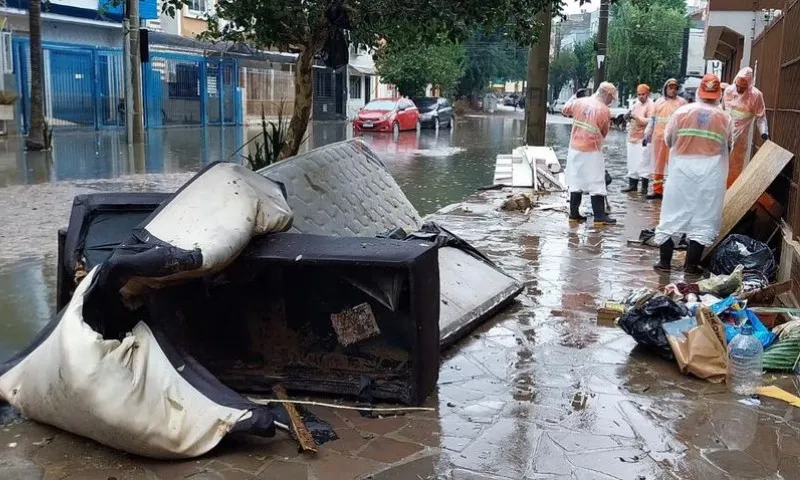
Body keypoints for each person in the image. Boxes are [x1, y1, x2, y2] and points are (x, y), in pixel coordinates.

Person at [653, 73, 732, 275]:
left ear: (699, 92)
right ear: (718, 95)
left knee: (672, 213)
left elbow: (668, 140)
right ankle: (691, 265)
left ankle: (664, 263)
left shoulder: (682, 112)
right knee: (703, 217)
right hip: (710, 174)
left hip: (681, 171)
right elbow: (729, 145)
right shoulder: (725, 117)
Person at [562, 81, 618, 225]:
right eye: (611, 97)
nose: (611, 101)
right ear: (605, 94)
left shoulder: (580, 102)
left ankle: (573, 214)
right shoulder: (604, 110)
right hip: (592, 150)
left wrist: (575, 97)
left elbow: (565, 110)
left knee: (575, 181)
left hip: (575, 148)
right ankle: (599, 216)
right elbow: (604, 132)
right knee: (597, 182)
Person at [723, 67, 769, 187]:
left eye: (742, 88)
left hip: (740, 138)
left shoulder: (756, 96)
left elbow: (761, 117)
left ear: (748, 86)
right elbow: (722, 112)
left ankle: (730, 193)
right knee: (720, 164)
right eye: (738, 86)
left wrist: (764, 133)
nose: (739, 89)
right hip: (724, 133)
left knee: (735, 167)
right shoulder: (728, 91)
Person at [644, 78, 687, 200]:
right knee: (658, 163)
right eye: (670, 88)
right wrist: (648, 131)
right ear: (666, 88)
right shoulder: (658, 102)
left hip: (674, 138)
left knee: (674, 163)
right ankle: (657, 190)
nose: (673, 90)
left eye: (675, 88)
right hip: (658, 137)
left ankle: (673, 190)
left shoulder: (682, 103)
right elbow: (652, 119)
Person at [621, 84, 656, 194]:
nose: (641, 96)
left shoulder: (651, 105)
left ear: (648, 94)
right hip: (632, 137)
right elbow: (631, 117)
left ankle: (644, 188)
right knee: (632, 162)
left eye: (643, 94)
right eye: (639, 94)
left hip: (644, 139)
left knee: (644, 162)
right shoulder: (636, 104)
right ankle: (633, 185)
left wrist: (637, 118)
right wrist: (627, 117)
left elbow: (651, 121)